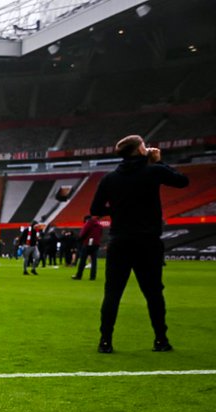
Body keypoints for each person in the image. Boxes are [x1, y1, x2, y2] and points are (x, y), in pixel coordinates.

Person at [89, 134, 189, 353]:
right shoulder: (154, 171)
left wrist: (116, 209)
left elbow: (95, 210)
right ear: (139, 150)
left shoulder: (109, 178)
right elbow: (182, 182)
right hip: (147, 241)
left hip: (119, 241)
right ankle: (161, 339)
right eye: (144, 145)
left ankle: (105, 341)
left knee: (113, 293)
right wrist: (158, 161)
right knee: (153, 293)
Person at [74, 215, 103, 281]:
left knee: (82, 260)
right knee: (94, 261)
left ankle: (79, 275)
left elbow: (83, 233)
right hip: (96, 244)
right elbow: (100, 234)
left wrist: (80, 240)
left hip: (87, 243)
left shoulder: (88, 224)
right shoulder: (100, 225)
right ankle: (93, 276)